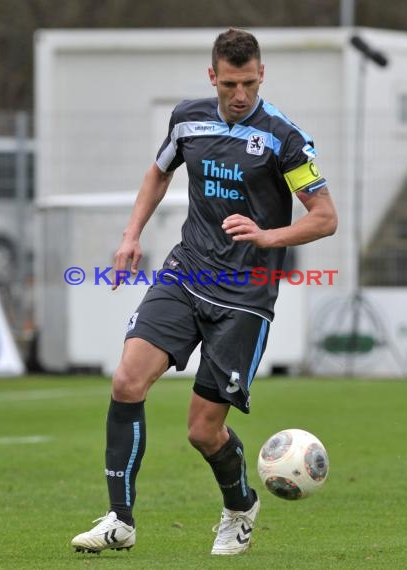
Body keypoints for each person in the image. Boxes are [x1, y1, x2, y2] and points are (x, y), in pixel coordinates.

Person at [71, 27, 337, 556]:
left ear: (262, 75)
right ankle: (119, 521)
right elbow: (157, 173)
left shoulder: (285, 139)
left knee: (202, 432)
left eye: (249, 84)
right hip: (186, 272)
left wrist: (269, 235)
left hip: (245, 295)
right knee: (127, 381)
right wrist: (130, 236)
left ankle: (239, 506)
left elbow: (325, 218)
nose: (240, 95)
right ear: (212, 77)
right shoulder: (186, 118)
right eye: (230, 84)